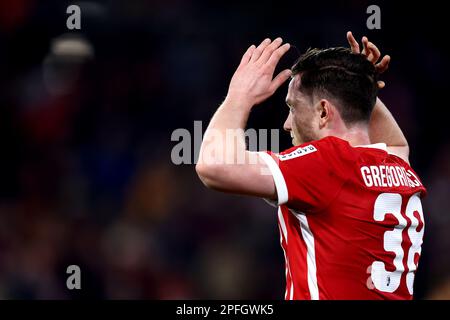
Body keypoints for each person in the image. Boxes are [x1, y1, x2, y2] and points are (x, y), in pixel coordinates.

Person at [195, 32, 426, 300]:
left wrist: (238, 97)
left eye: (293, 108)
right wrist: (361, 84)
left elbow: (214, 166)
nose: (287, 124)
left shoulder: (327, 163)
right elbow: (396, 142)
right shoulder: (399, 167)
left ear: (324, 112)